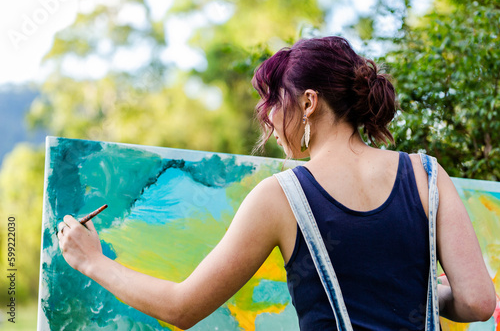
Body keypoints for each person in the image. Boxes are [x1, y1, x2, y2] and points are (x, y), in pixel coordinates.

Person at [57, 36, 496, 330]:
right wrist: (427, 296)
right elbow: (478, 303)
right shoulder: (426, 174)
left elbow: (182, 308)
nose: (267, 115)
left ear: (308, 102)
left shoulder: (282, 196)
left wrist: (92, 261)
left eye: (273, 100)